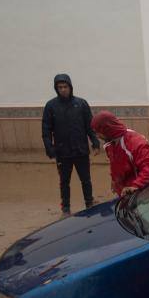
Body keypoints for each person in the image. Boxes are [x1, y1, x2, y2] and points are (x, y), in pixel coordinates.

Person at [42, 73, 100, 217]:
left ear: (70, 87)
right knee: (64, 181)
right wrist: (49, 147)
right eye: (60, 87)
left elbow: (90, 125)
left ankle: (89, 203)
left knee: (86, 180)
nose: (63, 89)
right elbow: (46, 129)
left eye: (65, 86)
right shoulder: (51, 106)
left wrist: (95, 142)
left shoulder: (81, 104)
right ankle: (66, 208)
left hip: (80, 150)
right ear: (56, 89)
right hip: (62, 152)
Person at [90, 111, 149, 197]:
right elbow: (115, 166)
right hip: (124, 193)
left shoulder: (136, 143)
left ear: (106, 128)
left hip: (139, 193)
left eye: (97, 132)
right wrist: (114, 181)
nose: (97, 136)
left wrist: (135, 186)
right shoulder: (109, 144)